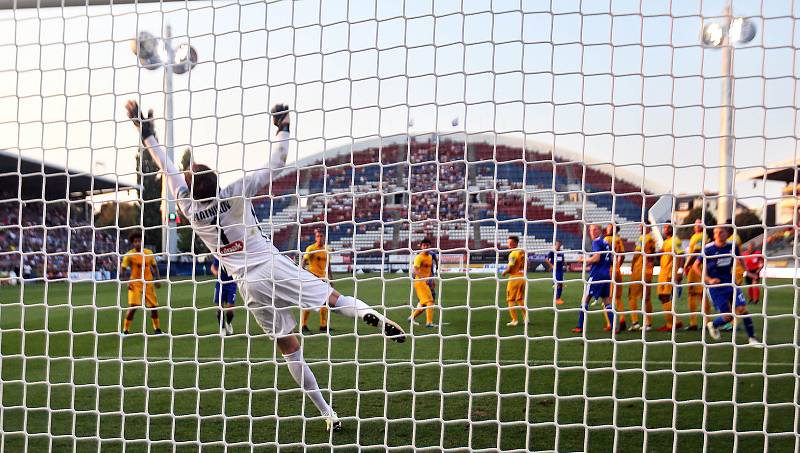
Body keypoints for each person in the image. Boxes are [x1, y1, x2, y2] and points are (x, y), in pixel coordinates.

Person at [125, 99, 405, 432]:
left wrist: (147, 135)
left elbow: (167, 168)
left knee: (290, 348)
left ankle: (327, 412)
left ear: (191, 189)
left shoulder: (187, 205)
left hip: (250, 284)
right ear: (215, 180)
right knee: (333, 299)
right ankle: (365, 314)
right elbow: (276, 162)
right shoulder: (234, 191)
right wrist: (282, 127)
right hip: (271, 262)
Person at [697, 223, 762, 346]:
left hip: (731, 283)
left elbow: (740, 259)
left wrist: (747, 272)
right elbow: (696, 266)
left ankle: (752, 338)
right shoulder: (708, 249)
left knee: (743, 309)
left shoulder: (733, 246)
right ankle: (713, 324)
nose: (718, 234)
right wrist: (708, 279)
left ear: (727, 233)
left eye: (721, 232)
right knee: (728, 317)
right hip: (715, 287)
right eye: (716, 232)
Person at [572, 224, 615, 334]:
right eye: (590, 230)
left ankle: (580, 326)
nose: (592, 232)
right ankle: (613, 326)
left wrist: (584, 260)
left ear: (600, 230)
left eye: (595, 229)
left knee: (585, 299)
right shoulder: (606, 243)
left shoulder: (596, 242)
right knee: (606, 301)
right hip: (606, 275)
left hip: (596, 275)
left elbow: (596, 258)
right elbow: (611, 258)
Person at [120, 230, 162, 335]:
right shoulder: (129, 255)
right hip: (135, 283)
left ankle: (157, 329)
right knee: (133, 306)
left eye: (140, 241)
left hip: (148, 283)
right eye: (135, 241)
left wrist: (157, 279)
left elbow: (155, 267)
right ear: (133, 243)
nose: (138, 243)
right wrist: (126, 281)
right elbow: (123, 269)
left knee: (154, 307)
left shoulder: (149, 253)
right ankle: (125, 330)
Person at [301, 228, 334, 334]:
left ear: (324, 237)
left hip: (323, 279)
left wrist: (331, 278)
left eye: (321, 236)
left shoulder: (327, 249)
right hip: (312, 278)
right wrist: (301, 274)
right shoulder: (311, 248)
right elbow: (304, 261)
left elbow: (328, 265)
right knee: (308, 302)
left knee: (325, 302)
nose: (319, 238)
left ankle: (323, 326)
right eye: (318, 236)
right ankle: (303, 325)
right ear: (315, 237)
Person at [627, 223, 655, 331]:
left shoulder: (643, 238)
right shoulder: (652, 240)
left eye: (643, 226)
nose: (640, 228)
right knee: (646, 297)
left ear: (648, 228)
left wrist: (632, 266)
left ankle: (635, 322)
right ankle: (648, 324)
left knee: (631, 295)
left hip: (639, 271)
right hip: (648, 271)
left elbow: (636, 254)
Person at [656, 224, 684, 332]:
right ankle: (675, 322)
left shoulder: (675, 240)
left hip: (669, 273)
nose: (665, 229)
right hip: (663, 273)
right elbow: (663, 253)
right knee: (662, 297)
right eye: (664, 227)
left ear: (672, 229)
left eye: (667, 227)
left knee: (665, 297)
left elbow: (681, 254)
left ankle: (671, 324)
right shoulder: (666, 241)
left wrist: (680, 270)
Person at [682, 219, 707, 331]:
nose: (696, 225)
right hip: (696, 267)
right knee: (694, 294)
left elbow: (696, 252)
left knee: (698, 295)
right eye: (695, 223)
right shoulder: (696, 236)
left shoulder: (700, 236)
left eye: (699, 223)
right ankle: (697, 323)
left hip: (697, 268)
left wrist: (687, 265)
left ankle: (704, 322)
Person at [409, 238, 437, 328]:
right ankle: (429, 323)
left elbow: (428, 270)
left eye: (427, 245)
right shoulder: (419, 257)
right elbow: (415, 270)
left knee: (423, 303)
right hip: (420, 282)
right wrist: (424, 279)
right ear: (421, 247)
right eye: (424, 245)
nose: (425, 247)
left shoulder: (429, 257)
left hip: (426, 282)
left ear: (430, 246)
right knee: (430, 302)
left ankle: (411, 317)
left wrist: (431, 280)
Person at [501, 235, 527, 326]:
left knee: (510, 299)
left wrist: (505, 272)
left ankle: (514, 320)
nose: (509, 245)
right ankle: (526, 318)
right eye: (508, 243)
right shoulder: (522, 252)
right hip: (523, 277)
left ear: (515, 243)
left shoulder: (513, 254)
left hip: (514, 278)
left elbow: (511, 266)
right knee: (520, 299)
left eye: (510, 243)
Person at [605, 224, 626, 331]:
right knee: (618, 298)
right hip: (617, 270)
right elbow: (623, 255)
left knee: (607, 299)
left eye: (609, 227)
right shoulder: (618, 239)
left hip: (609, 270)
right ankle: (622, 318)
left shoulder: (606, 239)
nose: (607, 228)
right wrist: (618, 266)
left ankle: (610, 324)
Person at [210, 257, 236, 336]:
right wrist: (215, 273)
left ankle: (228, 323)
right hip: (220, 284)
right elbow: (213, 266)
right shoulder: (220, 256)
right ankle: (222, 327)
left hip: (231, 284)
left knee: (230, 309)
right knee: (219, 307)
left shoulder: (234, 257)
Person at [545, 239, 565, 305]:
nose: (558, 246)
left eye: (559, 244)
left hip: (560, 270)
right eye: (557, 244)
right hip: (555, 271)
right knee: (558, 284)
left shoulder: (561, 252)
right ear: (555, 245)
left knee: (560, 284)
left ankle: (558, 298)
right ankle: (557, 298)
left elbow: (562, 260)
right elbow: (546, 260)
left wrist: (565, 265)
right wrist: (552, 265)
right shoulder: (552, 252)